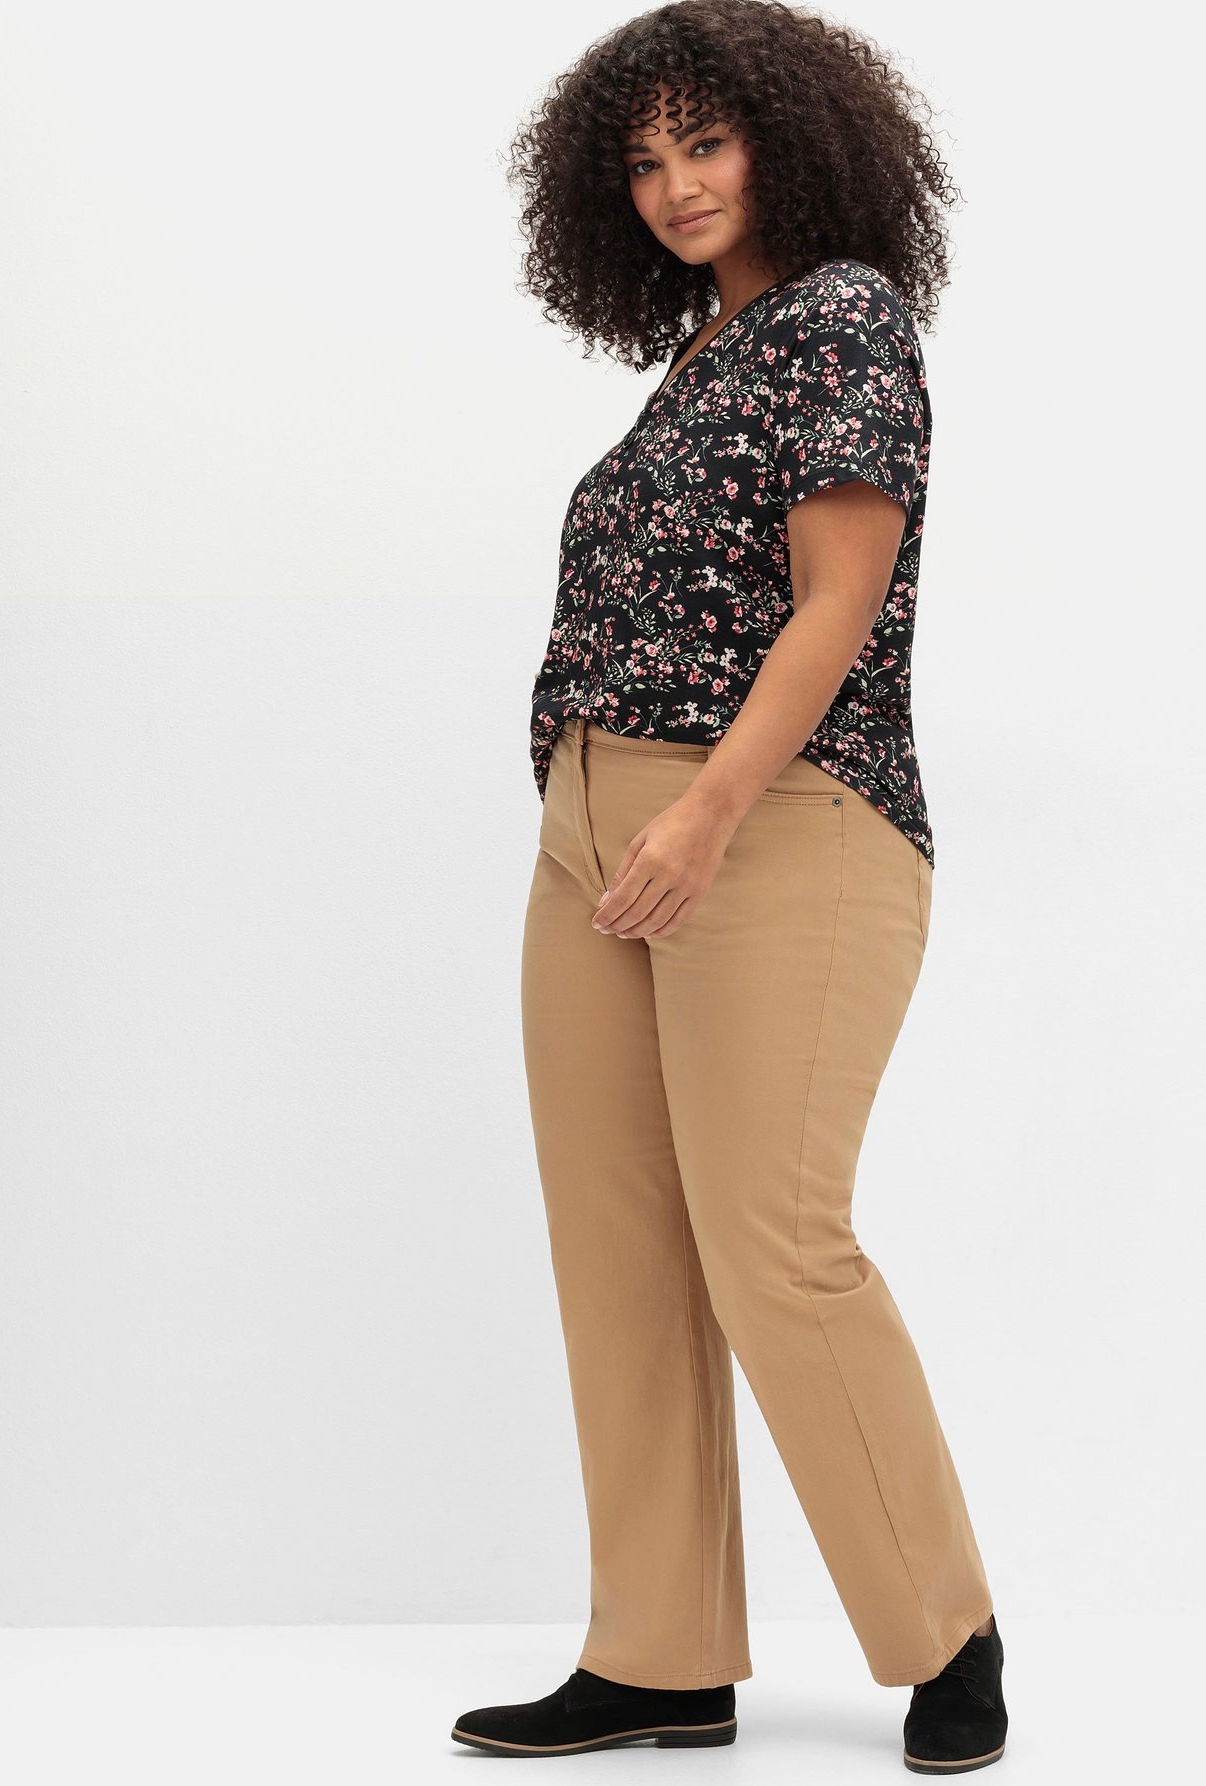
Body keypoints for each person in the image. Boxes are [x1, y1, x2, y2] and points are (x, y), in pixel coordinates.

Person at [451, 1, 1008, 1772]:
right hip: (589, 824)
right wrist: (597, 804)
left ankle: (948, 1629)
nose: (675, 183)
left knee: (774, 1241)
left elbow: (838, 602)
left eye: (706, 140)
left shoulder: (840, 317)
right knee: (618, 1249)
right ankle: (658, 1656)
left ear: (791, 139)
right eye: (642, 159)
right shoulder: (697, 357)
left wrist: (701, 812)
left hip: (776, 821)